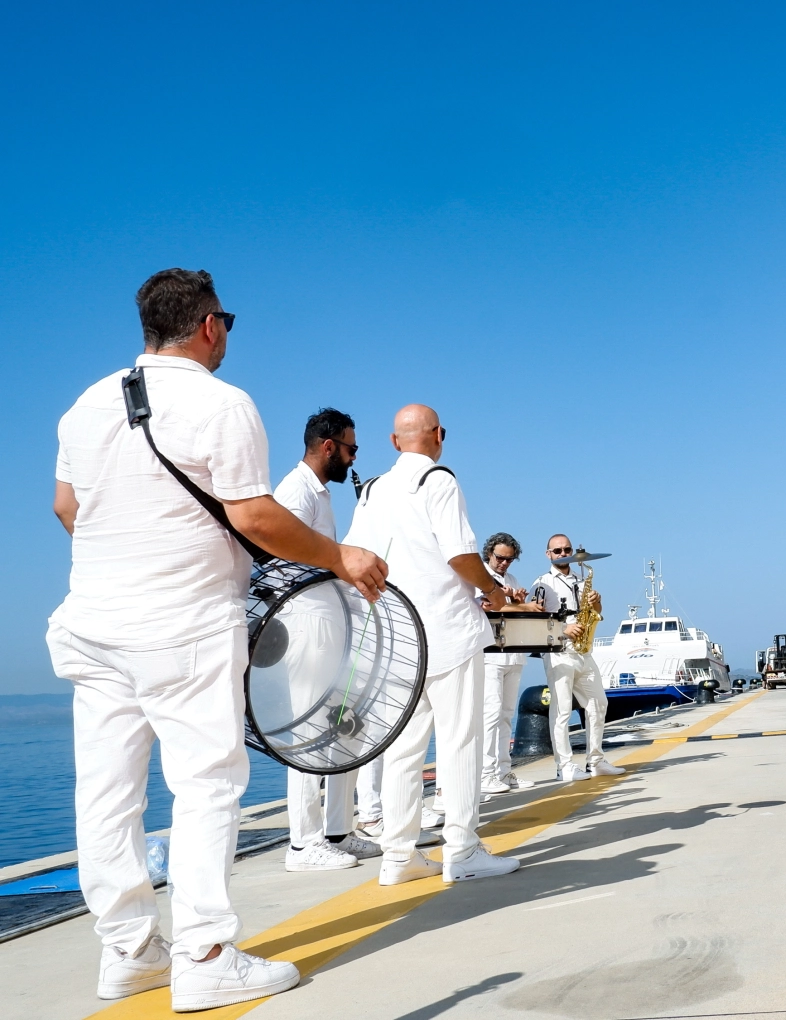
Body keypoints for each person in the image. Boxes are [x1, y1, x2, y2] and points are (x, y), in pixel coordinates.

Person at [49, 269, 388, 1009]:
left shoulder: (85, 406)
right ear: (209, 326)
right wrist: (344, 558)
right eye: (226, 320)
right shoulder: (222, 403)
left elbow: (65, 508)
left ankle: (129, 953)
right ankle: (203, 954)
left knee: (106, 796)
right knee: (206, 784)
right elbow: (256, 519)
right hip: (184, 624)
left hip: (93, 624)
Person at [344, 405, 521, 885]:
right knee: (460, 740)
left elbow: (355, 555)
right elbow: (460, 554)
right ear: (439, 435)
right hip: (447, 631)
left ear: (394, 441)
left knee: (403, 749)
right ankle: (461, 852)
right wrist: (495, 592)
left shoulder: (373, 490)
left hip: (397, 634)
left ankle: (399, 857)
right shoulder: (439, 480)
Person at [272, 408, 384, 870]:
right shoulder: (295, 490)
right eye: (351, 449)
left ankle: (339, 829)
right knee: (309, 731)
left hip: (333, 622)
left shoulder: (319, 494)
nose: (354, 459)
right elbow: (279, 553)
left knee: (345, 726)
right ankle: (303, 843)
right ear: (328, 447)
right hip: (308, 623)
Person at [533, 536, 624, 782]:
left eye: (567, 549)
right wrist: (563, 629)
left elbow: (595, 613)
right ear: (548, 554)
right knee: (562, 710)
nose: (563, 553)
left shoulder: (581, 581)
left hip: (584, 650)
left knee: (598, 704)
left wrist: (598, 603)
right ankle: (564, 766)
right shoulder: (543, 583)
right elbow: (535, 619)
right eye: (558, 550)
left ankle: (596, 761)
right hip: (559, 651)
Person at [479, 532, 534, 795]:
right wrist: (525, 607)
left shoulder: (510, 579)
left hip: (513, 652)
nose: (504, 563)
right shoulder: (480, 575)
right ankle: (486, 774)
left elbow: (509, 608)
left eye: (509, 559)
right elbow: (490, 606)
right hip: (490, 654)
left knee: (505, 715)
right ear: (489, 553)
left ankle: (502, 771)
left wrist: (520, 603)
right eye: (500, 558)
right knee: (490, 714)